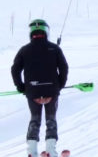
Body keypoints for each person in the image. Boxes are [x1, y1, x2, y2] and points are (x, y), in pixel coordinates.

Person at [11, 19, 69, 157]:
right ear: (46, 32)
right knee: (51, 119)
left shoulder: (24, 50)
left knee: (35, 119)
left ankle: (31, 152)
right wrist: (59, 86)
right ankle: (51, 150)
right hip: (51, 90)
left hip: (33, 91)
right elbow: (64, 68)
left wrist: (21, 87)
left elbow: (15, 70)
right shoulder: (55, 48)